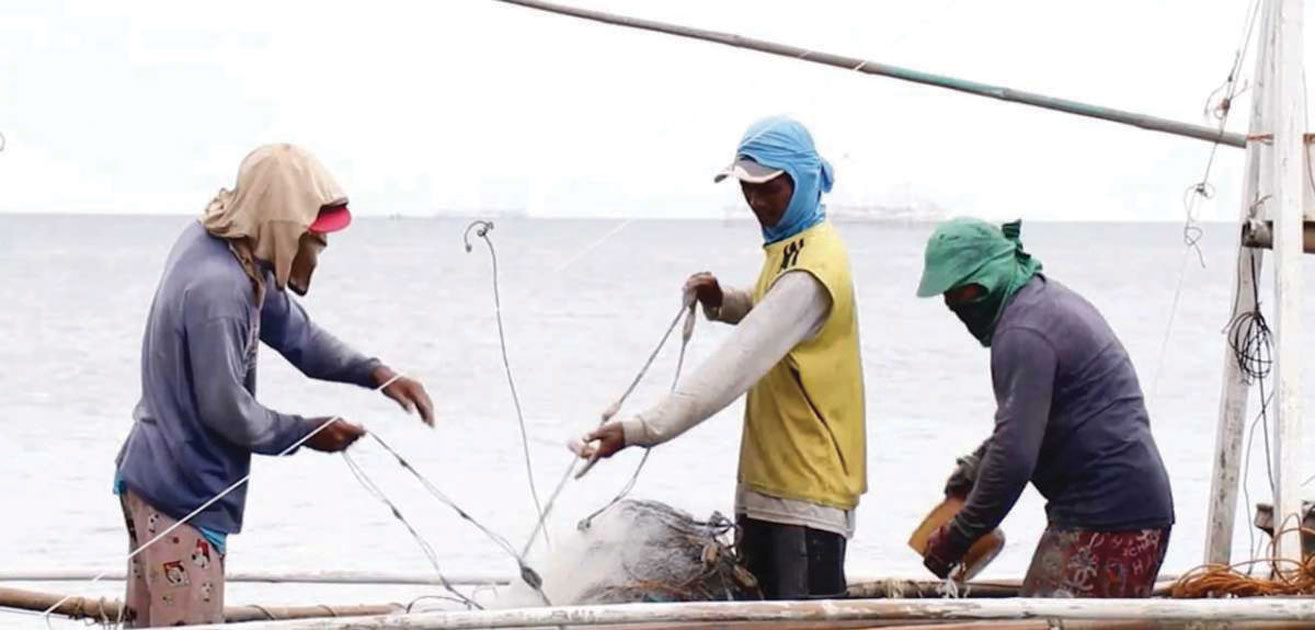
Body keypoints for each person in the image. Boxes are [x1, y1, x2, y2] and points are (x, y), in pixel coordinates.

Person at [112, 144, 434, 626]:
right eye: (314, 241)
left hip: (154, 477)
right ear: (286, 226)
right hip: (180, 498)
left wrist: (376, 374)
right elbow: (227, 410)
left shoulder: (232, 247)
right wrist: (306, 433)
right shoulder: (218, 288)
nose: (317, 255)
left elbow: (297, 335)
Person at [574, 116, 866, 600]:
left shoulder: (814, 270)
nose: (756, 203)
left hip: (804, 494)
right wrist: (721, 299)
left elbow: (734, 365)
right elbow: (765, 307)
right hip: (770, 485)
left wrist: (638, 430)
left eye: (769, 190)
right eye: (747, 190)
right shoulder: (793, 248)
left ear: (802, 181)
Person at [916, 217, 1174, 597]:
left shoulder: (1023, 333)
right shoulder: (1043, 304)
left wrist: (958, 536)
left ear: (989, 277)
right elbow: (1027, 425)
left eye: (960, 292)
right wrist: (975, 469)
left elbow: (1014, 458)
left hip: (1110, 518)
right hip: (1124, 510)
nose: (952, 304)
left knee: (1038, 619)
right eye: (946, 296)